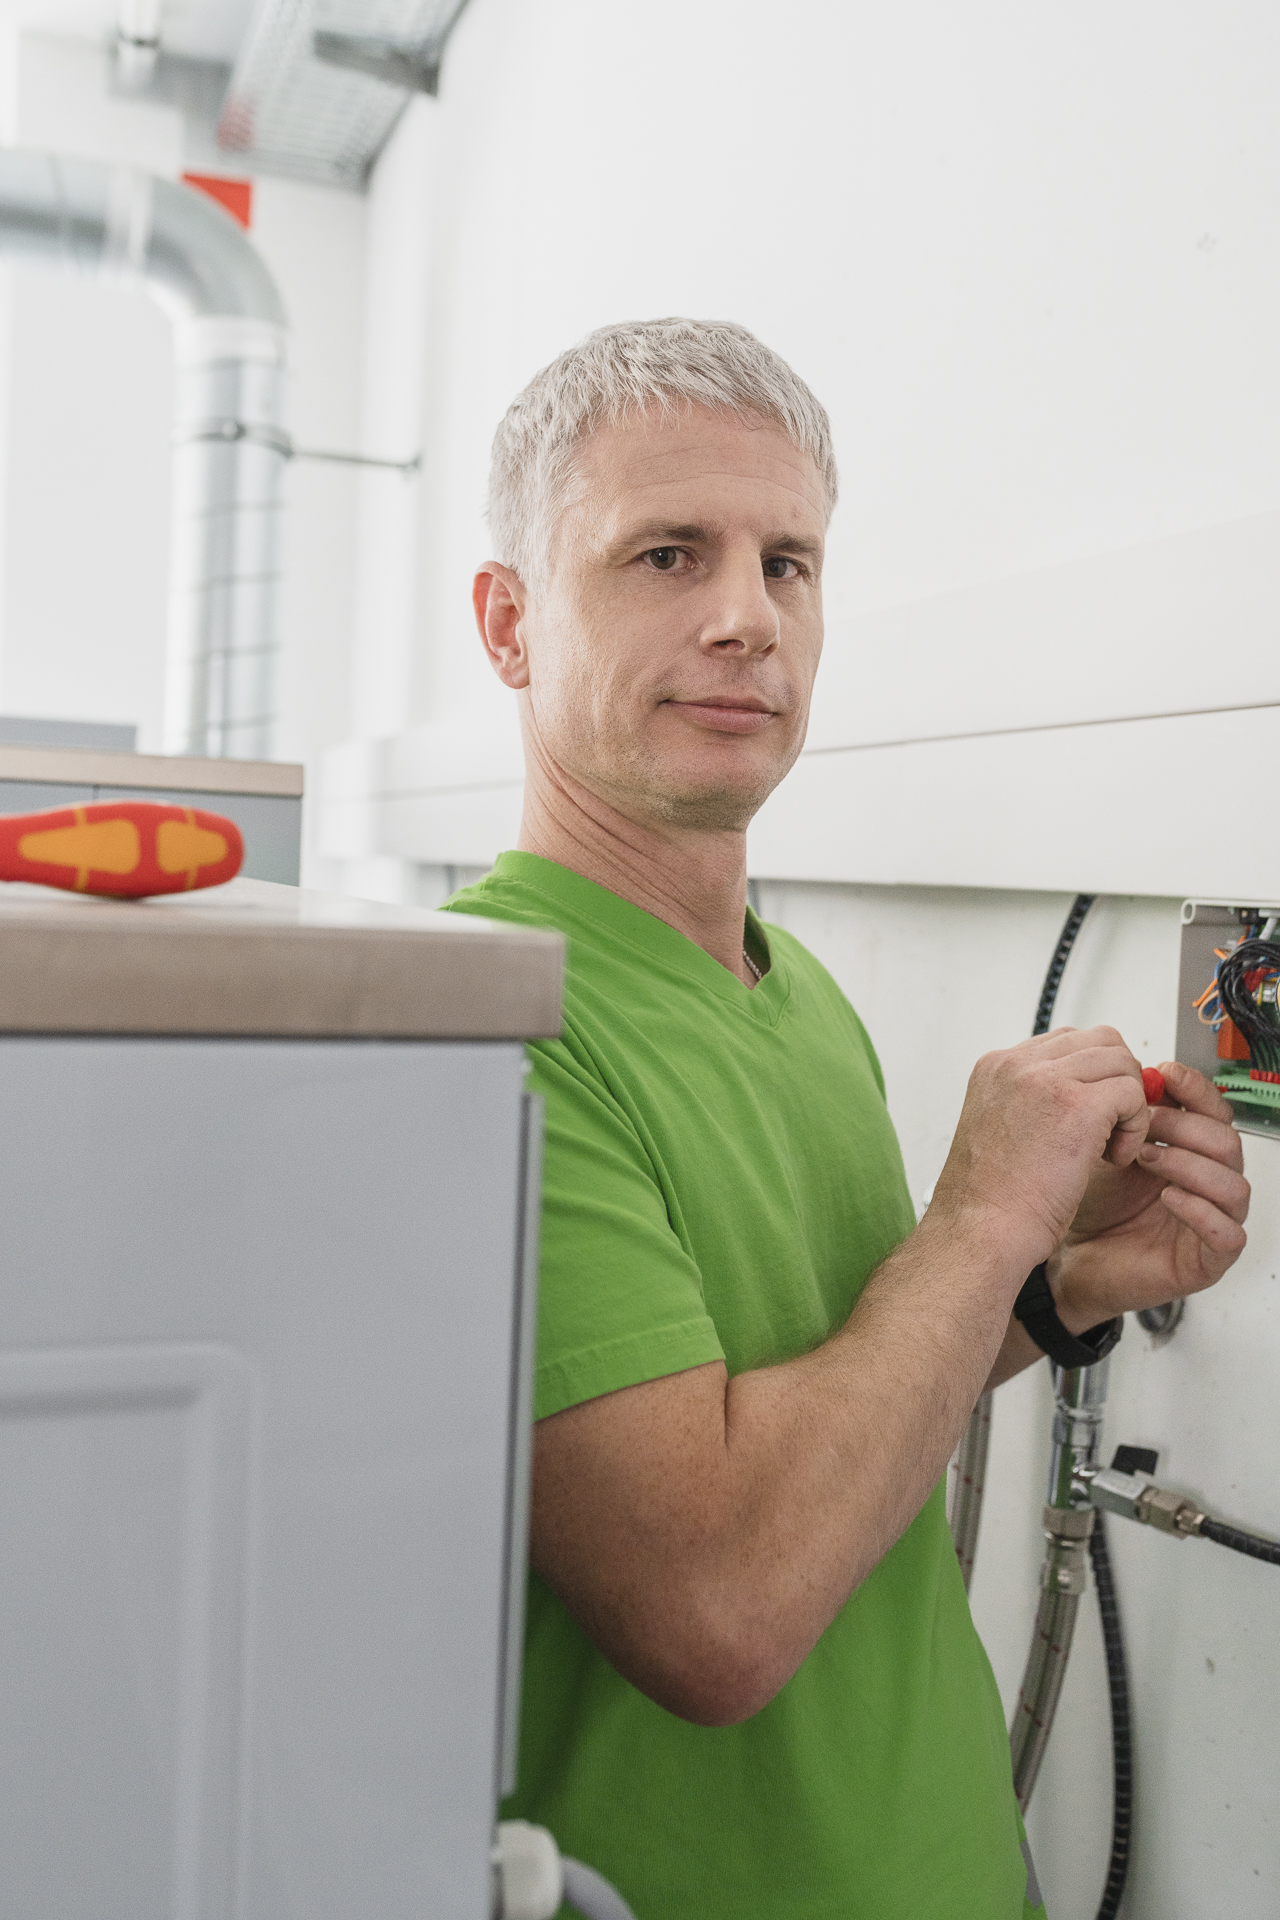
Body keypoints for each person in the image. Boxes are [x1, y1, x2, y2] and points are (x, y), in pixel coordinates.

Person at [444, 318, 1249, 1918]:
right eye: (668, 556)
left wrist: (1059, 1285)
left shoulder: (790, 987)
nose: (748, 619)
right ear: (511, 623)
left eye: (789, 564)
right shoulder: (482, 1027)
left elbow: (838, 1401)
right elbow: (718, 1607)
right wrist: (980, 1220)